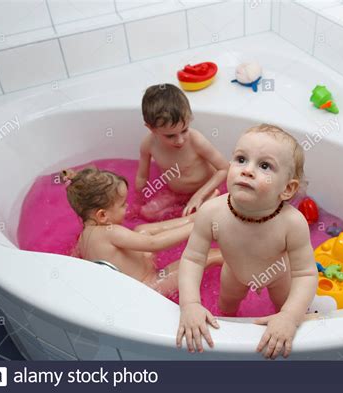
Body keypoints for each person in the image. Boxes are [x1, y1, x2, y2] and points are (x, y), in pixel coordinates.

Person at [176, 124, 318, 359]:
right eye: (241, 159)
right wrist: (190, 304)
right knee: (227, 307)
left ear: (287, 188)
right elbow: (192, 258)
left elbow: (305, 274)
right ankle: (229, 343)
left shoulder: (292, 223)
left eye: (265, 166)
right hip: (233, 273)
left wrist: (289, 317)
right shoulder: (212, 212)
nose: (247, 170)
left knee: (284, 309)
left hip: (279, 276)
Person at [62, 167, 223, 296]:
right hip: (149, 286)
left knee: (141, 230)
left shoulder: (84, 237)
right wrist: (199, 227)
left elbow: (75, 261)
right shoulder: (112, 232)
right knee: (208, 255)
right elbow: (154, 244)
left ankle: (193, 217)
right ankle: (199, 222)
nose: (126, 207)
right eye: (122, 204)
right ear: (102, 215)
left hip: (140, 269)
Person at [136, 83, 229, 217]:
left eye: (184, 130)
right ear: (151, 128)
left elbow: (224, 168)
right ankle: (182, 214)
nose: (180, 140)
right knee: (146, 213)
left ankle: (188, 215)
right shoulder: (148, 145)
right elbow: (142, 176)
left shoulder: (195, 140)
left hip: (207, 189)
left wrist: (199, 195)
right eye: (170, 135)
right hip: (176, 193)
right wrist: (139, 200)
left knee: (207, 213)